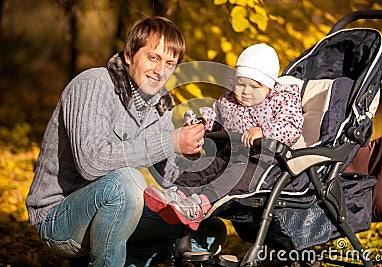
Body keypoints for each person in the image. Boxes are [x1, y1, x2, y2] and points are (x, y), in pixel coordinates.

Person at [25, 16, 227, 267]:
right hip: (60, 215)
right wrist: (169, 142)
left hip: (117, 210)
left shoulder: (161, 105)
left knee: (209, 231)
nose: (160, 70)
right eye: (153, 58)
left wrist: (206, 157)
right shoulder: (94, 84)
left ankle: (108, 259)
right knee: (126, 183)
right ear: (130, 55)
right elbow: (91, 162)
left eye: (170, 63)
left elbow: (170, 176)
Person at [144, 43, 304, 231]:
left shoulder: (281, 100)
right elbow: (215, 116)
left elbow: (291, 127)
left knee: (232, 176)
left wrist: (264, 131)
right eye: (240, 84)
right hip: (227, 153)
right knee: (203, 165)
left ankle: (200, 204)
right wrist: (199, 123)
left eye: (255, 86)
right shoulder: (229, 100)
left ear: (269, 87)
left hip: (259, 161)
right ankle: (176, 195)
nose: (245, 91)